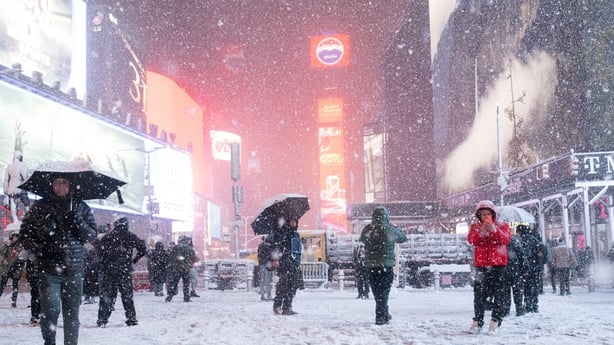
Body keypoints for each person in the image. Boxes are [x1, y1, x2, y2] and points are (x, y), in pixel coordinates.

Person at [19, 176, 97, 345]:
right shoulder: (39, 207)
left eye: (64, 183)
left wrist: (77, 221)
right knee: (50, 311)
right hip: (48, 270)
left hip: (74, 270)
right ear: (51, 184)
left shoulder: (81, 207)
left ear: (70, 185)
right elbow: (24, 235)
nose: (60, 187)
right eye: (56, 183)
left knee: (72, 314)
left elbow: (92, 235)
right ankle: (50, 342)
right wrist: (41, 243)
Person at [466, 200, 511, 335]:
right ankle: (477, 321)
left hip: (498, 265)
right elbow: (471, 241)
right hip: (482, 265)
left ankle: (495, 321)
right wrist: (481, 234)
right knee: (479, 295)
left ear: (493, 214)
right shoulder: (475, 227)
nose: (485, 216)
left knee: (499, 294)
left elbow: (506, 240)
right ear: (479, 215)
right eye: (483, 214)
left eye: (488, 214)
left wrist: (494, 231)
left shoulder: (503, 226)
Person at [359, 206, 407, 325]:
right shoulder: (390, 229)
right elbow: (402, 238)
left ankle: (384, 313)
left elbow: (363, 240)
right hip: (386, 265)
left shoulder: (368, 229)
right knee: (384, 291)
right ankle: (380, 316)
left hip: (371, 266)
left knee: (377, 291)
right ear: (386, 217)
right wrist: (397, 229)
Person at [96, 217, 147, 327]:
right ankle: (131, 318)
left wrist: (105, 262)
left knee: (107, 296)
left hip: (109, 270)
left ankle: (102, 319)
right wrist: (134, 260)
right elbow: (143, 248)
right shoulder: (129, 236)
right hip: (124, 270)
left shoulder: (107, 236)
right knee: (127, 295)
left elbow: (99, 251)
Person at [270, 216, 303, 315]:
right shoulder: (282, 232)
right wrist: (276, 259)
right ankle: (277, 306)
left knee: (293, 286)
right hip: (285, 262)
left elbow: (298, 250)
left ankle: (287, 307)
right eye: (291, 220)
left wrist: (297, 261)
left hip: (294, 263)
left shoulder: (296, 234)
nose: (293, 223)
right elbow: (276, 246)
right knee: (283, 286)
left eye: (295, 221)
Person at [517, 225, 544, 313]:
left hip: (528, 269)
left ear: (521, 232)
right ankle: (535, 305)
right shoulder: (535, 240)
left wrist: (525, 267)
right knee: (535, 286)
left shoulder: (525, 241)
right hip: (536, 268)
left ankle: (528, 305)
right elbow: (540, 255)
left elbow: (526, 255)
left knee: (527, 287)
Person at [501, 231, 526, 317]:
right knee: (518, 291)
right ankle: (519, 309)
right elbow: (522, 257)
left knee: (505, 292)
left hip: (504, 271)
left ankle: (505, 310)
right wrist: (524, 269)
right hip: (516, 271)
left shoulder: (501, 243)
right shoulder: (515, 243)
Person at [166, 236, 197, 303]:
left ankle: (170, 296)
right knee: (186, 284)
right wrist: (188, 262)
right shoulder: (189, 248)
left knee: (175, 283)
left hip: (177, 269)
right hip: (186, 269)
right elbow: (193, 258)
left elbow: (171, 257)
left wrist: (175, 263)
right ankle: (186, 298)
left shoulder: (175, 248)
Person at [2, 150, 30, 222]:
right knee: (26, 202)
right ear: (20, 157)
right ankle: (28, 216)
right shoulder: (22, 165)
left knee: (13, 203)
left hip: (11, 189)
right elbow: (25, 177)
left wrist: (6, 192)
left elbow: (6, 180)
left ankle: (15, 219)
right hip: (20, 188)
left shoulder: (9, 166)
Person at [0, 233, 24, 308]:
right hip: (6, 268)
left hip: (16, 268)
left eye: (17, 237)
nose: (16, 239)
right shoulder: (7, 245)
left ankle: (14, 301)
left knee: (15, 286)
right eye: (14, 237)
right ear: (12, 238)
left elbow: (22, 257)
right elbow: (2, 253)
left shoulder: (20, 246)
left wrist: (20, 266)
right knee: (1, 285)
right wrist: (6, 246)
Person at [257, 236, 273, 301]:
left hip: (262, 264)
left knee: (262, 280)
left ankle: (262, 295)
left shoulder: (260, 246)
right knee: (268, 280)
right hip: (267, 264)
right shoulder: (269, 246)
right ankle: (268, 295)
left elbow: (259, 255)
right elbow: (270, 255)